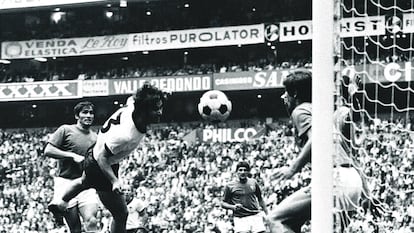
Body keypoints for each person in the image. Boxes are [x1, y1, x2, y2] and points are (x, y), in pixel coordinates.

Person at [48, 83, 169, 233]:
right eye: (155, 109)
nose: (160, 112)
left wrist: (158, 93)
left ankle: (61, 201)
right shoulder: (126, 135)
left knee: (85, 181)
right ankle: (62, 201)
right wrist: (114, 181)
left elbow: (133, 97)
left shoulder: (133, 105)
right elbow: (102, 158)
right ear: (144, 110)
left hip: (93, 154)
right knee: (121, 214)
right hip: (100, 163)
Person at [44, 101, 100, 233]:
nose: (89, 115)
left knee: (92, 220)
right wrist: (71, 155)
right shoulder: (66, 130)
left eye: (91, 113)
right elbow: (48, 150)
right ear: (77, 116)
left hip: (86, 184)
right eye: (85, 112)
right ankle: (58, 210)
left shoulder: (96, 137)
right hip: (66, 183)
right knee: (75, 228)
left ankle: (57, 210)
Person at [269, 69, 312, 233]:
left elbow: (316, 138)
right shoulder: (322, 111)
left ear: (294, 93)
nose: (283, 96)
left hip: (334, 180)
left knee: (274, 220)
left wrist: (292, 169)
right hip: (353, 183)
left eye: (286, 92)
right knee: (292, 223)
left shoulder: (301, 111)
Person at [221, 161, 268, 233]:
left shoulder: (253, 182)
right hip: (240, 218)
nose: (242, 172)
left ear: (248, 172)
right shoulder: (230, 186)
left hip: (255, 215)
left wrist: (267, 213)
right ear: (236, 172)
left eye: (245, 170)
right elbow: (223, 203)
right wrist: (233, 207)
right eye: (240, 170)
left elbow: (260, 199)